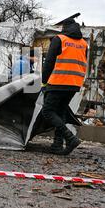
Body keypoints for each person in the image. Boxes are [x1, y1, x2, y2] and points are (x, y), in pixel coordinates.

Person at [41, 18, 88, 155]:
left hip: (58, 81)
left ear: (65, 27)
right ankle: (57, 145)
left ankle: (70, 138)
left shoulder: (59, 39)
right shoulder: (84, 43)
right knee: (60, 112)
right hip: (74, 83)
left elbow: (49, 62)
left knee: (48, 111)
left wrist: (44, 82)